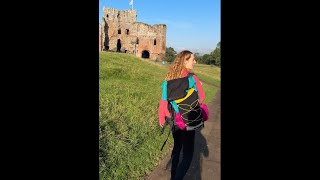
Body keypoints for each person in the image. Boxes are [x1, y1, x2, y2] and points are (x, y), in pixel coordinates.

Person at [158, 50, 205, 180]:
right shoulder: (193, 79)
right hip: (188, 120)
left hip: (175, 122)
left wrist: (163, 118)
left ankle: (173, 175)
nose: (195, 62)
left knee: (177, 148)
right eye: (193, 60)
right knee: (188, 154)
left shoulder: (168, 80)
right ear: (185, 61)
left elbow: (163, 104)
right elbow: (202, 98)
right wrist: (198, 87)